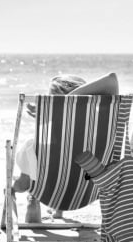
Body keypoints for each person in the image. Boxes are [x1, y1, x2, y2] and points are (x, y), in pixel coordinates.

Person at [12, 72, 119, 223]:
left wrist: (56, 109)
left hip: (50, 193)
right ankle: (57, 212)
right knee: (69, 153)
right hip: (88, 192)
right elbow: (112, 80)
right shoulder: (101, 123)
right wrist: (59, 109)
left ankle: (28, 196)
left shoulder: (46, 143)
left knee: (33, 148)